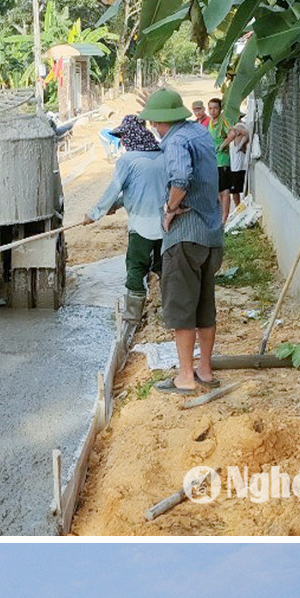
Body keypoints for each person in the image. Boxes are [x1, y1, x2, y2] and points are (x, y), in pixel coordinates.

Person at [141, 86, 223, 394]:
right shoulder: (198, 133)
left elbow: (181, 179)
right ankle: (205, 369)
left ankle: (185, 376)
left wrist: (170, 209)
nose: (154, 128)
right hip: (211, 234)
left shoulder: (174, 141)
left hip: (185, 238)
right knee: (205, 306)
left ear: (160, 122)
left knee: (181, 308)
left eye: (154, 122)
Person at [89, 119, 169, 323]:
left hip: (141, 225)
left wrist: (95, 213)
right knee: (164, 267)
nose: (122, 142)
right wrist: (116, 205)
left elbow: (114, 188)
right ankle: (169, 310)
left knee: (135, 267)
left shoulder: (127, 160)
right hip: (165, 224)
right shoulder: (162, 156)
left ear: (130, 136)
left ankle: (133, 315)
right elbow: (143, 190)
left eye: (123, 137)